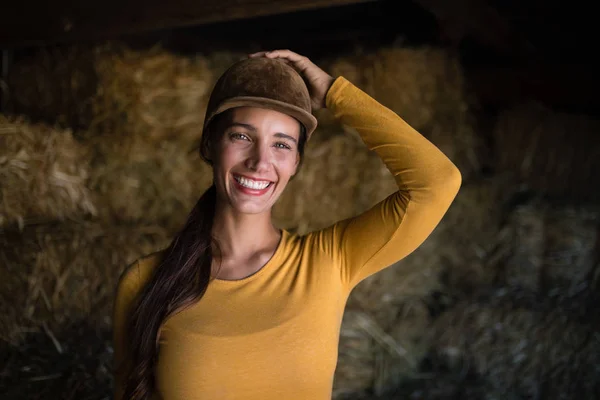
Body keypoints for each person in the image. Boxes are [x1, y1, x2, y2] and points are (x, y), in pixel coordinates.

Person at [112, 49, 462, 400]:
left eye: (281, 144)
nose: (260, 161)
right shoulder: (145, 281)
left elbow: (437, 182)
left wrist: (333, 94)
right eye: (242, 136)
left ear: (296, 163)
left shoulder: (329, 261)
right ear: (210, 144)